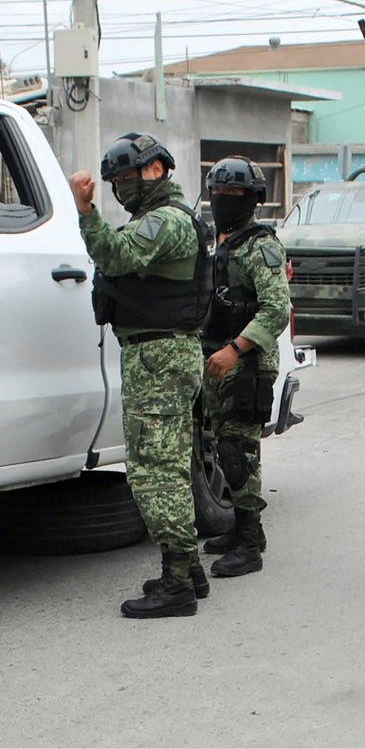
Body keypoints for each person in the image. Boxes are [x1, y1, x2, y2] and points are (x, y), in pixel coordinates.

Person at [69, 133, 213, 618]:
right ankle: (187, 570)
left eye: (125, 178)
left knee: (156, 473)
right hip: (158, 356)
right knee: (166, 464)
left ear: (155, 171)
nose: (119, 188)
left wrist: (86, 212)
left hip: (160, 358)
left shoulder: (167, 221)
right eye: (115, 182)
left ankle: (176, 586)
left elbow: (115, 256)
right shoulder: (159, 219)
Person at [196, 157, 290, 578]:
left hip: (246, 363)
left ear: (253, 200)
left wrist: (235, 349)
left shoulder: (261, 246)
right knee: (224, 448)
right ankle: (240, 531)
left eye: (234, 195)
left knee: (239, 453)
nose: (223, 200)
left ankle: (250, 542)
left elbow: (276, 310)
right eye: (218, 192)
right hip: (218, 360)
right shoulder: (222, 243)